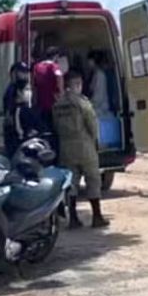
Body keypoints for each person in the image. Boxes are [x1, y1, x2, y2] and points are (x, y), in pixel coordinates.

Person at [52, 70, 109, 229]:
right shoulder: (82, 102)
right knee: (93, 179)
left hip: (66, 147)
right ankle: (97, 217)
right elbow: (92, 124)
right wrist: (96, 141)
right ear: (77, 84)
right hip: (84, 145)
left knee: (72, 183)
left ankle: (74, 219)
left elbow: (56, 126)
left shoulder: (57, 105)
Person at [4, 81, 44, 157]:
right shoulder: (22, 110)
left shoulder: (11, 111)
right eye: (27, 89)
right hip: (25, 150)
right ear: (19, 92)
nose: (30, 93)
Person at [33, 46, 64, 129]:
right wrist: (61, 95)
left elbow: (34, 86)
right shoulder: (55, 67)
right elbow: (59, 79)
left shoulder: (37, 67)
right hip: (53, 104)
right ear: (56, 56)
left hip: (40, 104)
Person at [86, 51, 112, 118]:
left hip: (101, 109)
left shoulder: (100, 75)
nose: (88, 63)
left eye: (89, 61)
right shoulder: (94, 74)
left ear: (93, 61)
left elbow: (99, 96)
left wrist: (90, 104)